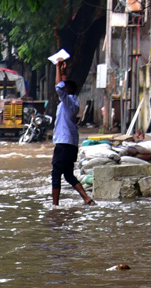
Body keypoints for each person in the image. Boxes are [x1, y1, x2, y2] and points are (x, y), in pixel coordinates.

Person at [51, 58, 94, 206]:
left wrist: (58, 69)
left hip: (63, 143)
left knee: (56, 174)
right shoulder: (71, 103)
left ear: (68, 90)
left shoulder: (68, 101)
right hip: (71, 144)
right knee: (68, 175)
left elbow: (58, 88)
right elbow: (60, 87)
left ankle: (55, 205)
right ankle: (86, 198)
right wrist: (63, 73)